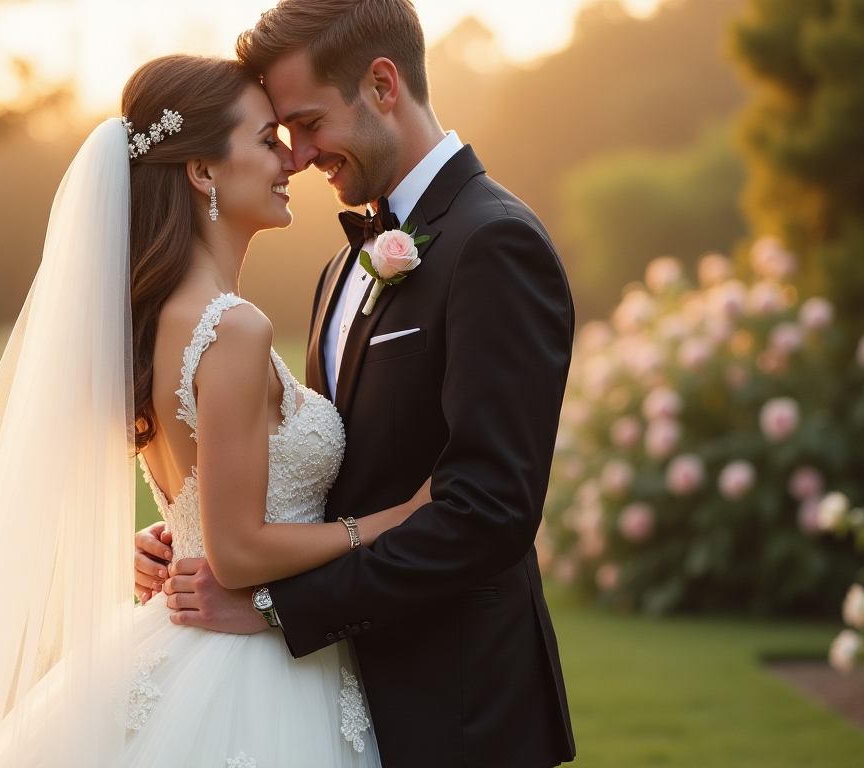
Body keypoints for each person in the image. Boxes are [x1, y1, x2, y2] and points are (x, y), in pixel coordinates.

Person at [0, 53, 431, 768]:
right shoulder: (232, 327)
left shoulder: (161, 323)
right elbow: (239, 551)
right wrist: (387, 524)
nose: (290, 161)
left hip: (193, 632)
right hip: (248, 669)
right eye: (265, 140)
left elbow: (208, 514)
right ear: (203, 171)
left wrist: (173, 539)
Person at [135, 1, 577, 766]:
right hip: (337, 694)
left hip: (459, 707)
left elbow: (488, 512)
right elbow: (317, 473)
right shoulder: (341, 266)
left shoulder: (495, 242)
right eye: (280, 134)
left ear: (381, 84)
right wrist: (190, 532)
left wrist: (277, 605)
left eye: (307, 124)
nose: (298, 156)